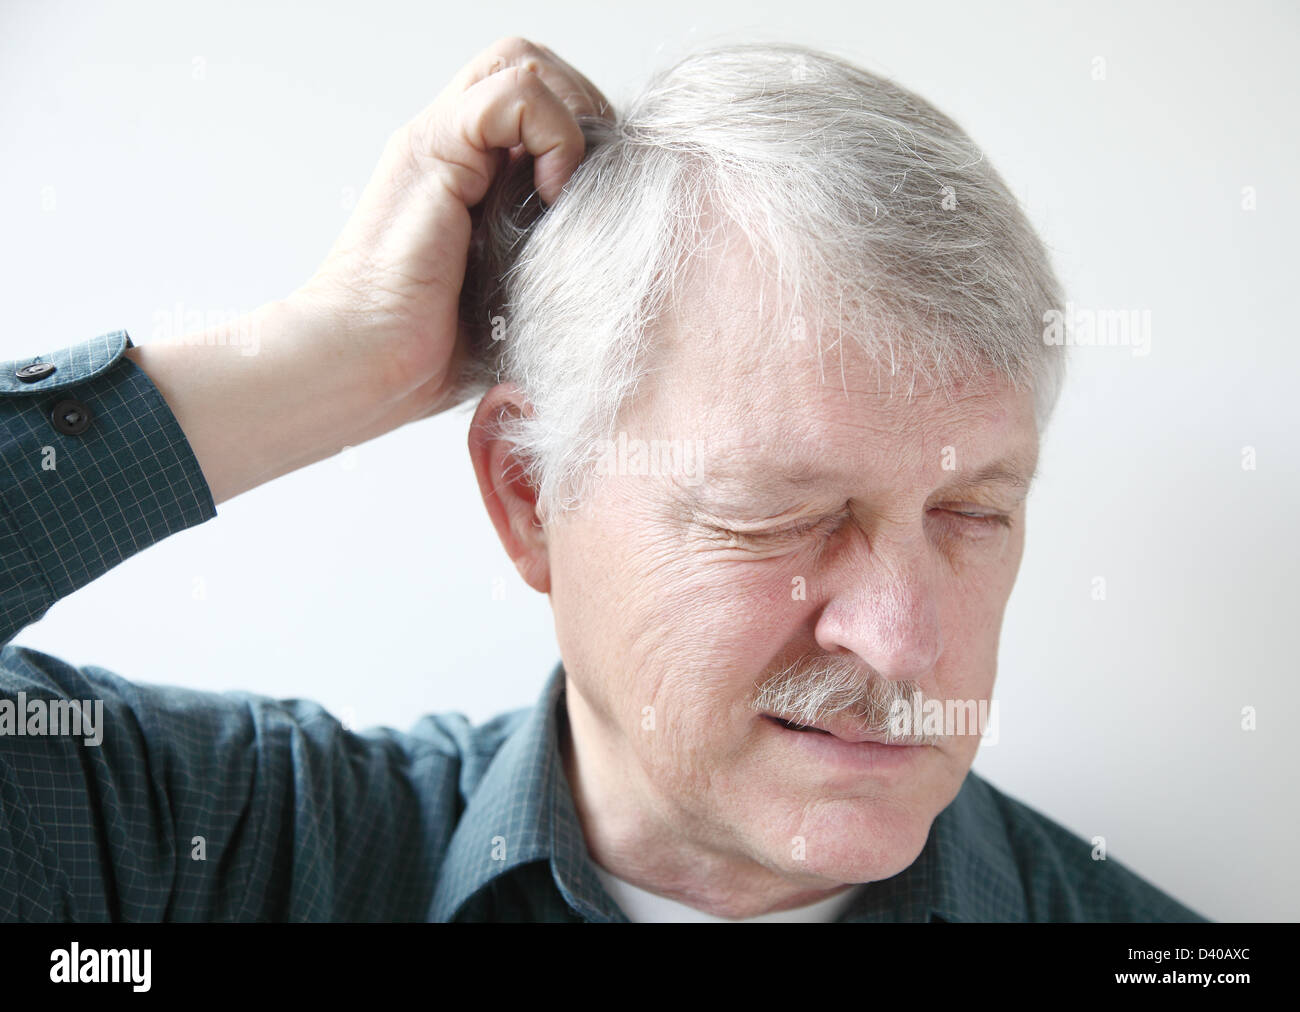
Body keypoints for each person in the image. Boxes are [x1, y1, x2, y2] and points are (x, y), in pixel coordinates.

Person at [0, 36, 1206, 922]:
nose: (902, 640)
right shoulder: (209, 857)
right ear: (531, 498)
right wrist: (338, 352)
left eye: (973, 511)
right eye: (777, 513)